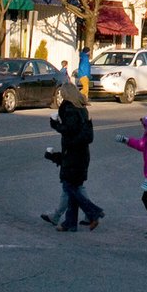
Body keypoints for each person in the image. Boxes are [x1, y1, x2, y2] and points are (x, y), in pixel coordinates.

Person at [46, 80, 103, 232]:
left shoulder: (69, 108)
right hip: (81, 153)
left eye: (62, 93)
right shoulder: (82, 108)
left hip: (73, 153)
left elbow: (69, 130)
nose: (61, 95)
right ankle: (70, 222)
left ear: (66, 94)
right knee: (73, 187)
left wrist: (55, 124)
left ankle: (93, 212)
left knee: (69, 187)